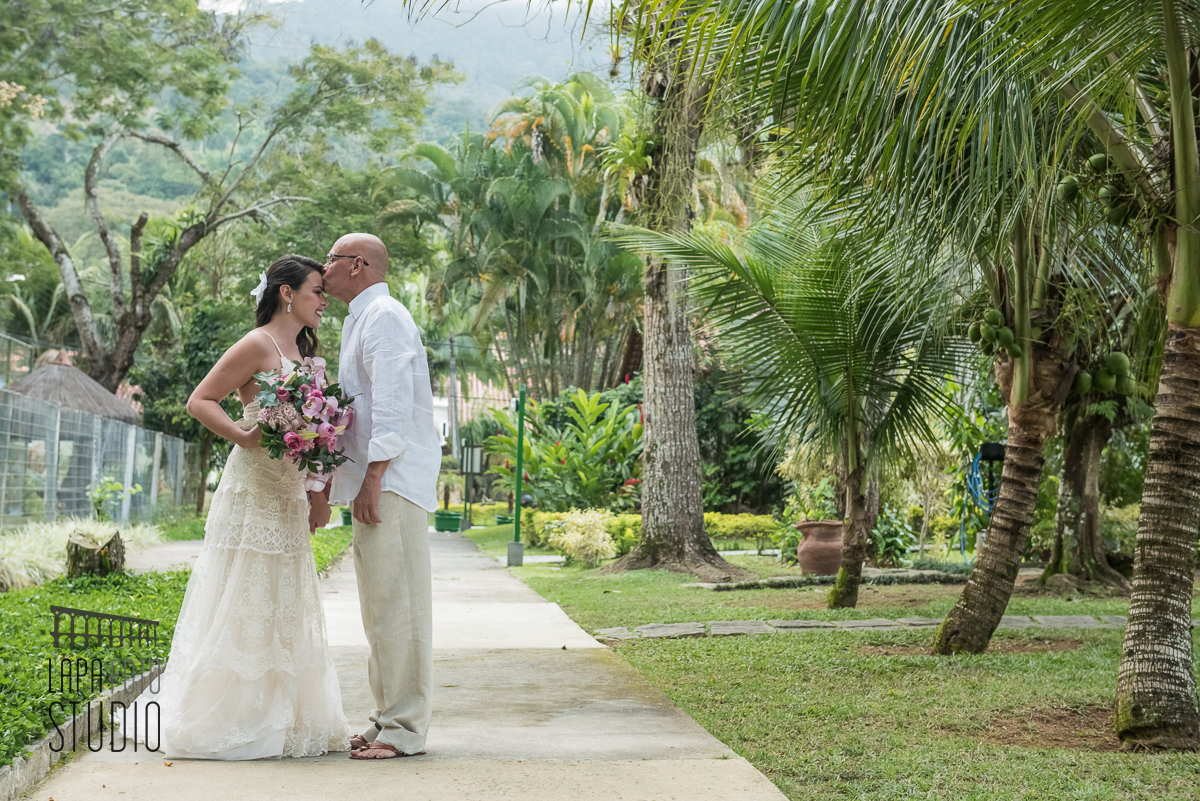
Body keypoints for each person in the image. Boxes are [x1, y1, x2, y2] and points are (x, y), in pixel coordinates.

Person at [130, 254, 348, 759]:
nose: (323, 301)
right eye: (317, 290)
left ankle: (286, 716)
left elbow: (319, 434)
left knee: (284, 599)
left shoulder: (309, 356)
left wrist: (319, 493)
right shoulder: (257, 344)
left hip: (289, 493)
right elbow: (201, 400)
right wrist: (243, 437)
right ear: (287, 293)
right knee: (245, 595)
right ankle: (234, 716)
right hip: (252, 489)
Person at [311, 232, 440, 760]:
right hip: (375, 482)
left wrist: (373, 478)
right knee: (379, 607)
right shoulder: (361, 318)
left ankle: (405, 728)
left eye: (331, 259)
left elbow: (391, 407)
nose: (324, 269)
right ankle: (386, 716)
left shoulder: (385, 316)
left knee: (400, 606)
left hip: (392, 483)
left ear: (357, 264)